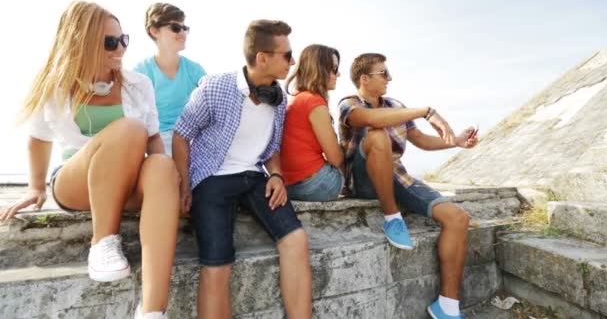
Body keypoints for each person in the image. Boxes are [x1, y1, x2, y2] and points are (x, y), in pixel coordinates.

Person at [0, 1, 180, 319]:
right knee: (128, 129)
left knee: (162, 165)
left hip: (127, 182)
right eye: (110, 42)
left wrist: (161, 185)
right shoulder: (55, 88)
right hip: (77, 181)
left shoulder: (139, 85)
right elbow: (38, 138)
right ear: (81, 44)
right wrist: (35, 186)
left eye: (123, 39)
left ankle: (153, 311)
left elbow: (154, 138)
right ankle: (102, 242)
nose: (120, 48)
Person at [172, 19, 312, 318]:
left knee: (296, 240)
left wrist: (275, 174)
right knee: (217, 266)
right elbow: (182, 134)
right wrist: (184, 186)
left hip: (254, 177)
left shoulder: (278, 98)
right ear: (262, 58)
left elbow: (273, 146)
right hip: (212, 178)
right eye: (287, 55)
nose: (293, 61)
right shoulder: (216, 86)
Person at [337, 53, 479, 319]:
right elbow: (372, 120)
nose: (389, 78)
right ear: (364, 78)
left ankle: (447, 306)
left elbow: (422, 140)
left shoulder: (396, 105)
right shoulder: (349, 104)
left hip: (397, 176)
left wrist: (456, 141)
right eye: (384, 74)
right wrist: (427, 111)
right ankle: (393, 218)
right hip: (364, 180)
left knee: (458, 218)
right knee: (377, 135)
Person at [134, 2, 206, 156]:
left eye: (184, 28)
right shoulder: (141, 73)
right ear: (154, 31)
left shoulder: (195, 71)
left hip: (192, 139)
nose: (182, 33)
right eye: (175, 28)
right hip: (157, 142)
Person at [281, 44, 344, 201]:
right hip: (317, 185)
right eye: (334, 69)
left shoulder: (298, 98)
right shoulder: (314, 102)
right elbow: (335, 159)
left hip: (290, 186)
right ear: (319, 69)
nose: (339, 74)